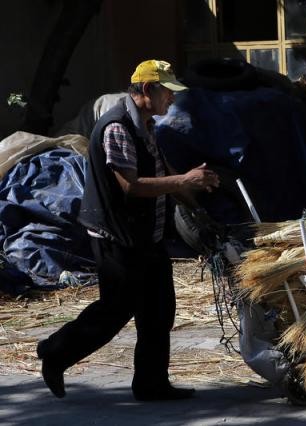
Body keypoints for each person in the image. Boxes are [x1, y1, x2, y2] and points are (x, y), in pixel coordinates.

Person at [36, 59, 219, 401]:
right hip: (116, 236)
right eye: (168, 93)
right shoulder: (117, 127)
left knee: (159, 308)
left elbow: (162, 169)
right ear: (148, 90)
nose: (172, 100)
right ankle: (55, 352)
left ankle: (151, 384)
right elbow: (130, 186)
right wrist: (183, 180)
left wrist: (196, 190)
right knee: (114, 311)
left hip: (144, 235)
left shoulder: (145, 124)